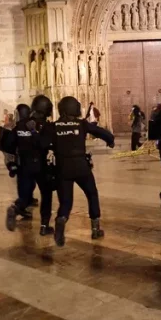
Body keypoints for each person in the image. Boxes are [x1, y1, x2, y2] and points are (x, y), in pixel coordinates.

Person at [42, 96, 115, 247]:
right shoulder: (81, 124)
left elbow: (41, 143)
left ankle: (61, 219)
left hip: (63, 168)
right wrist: (110, 140)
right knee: (92, 194)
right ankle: (95, 229)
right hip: (81, 166)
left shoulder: (53, 126)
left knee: (66, 201)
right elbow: (100, 131)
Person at [2, 99, 54, 235]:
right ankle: (44, 226)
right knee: (46, 195)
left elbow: (8, 144)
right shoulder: (45, 126)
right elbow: (46, 144)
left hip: (24, 165)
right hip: (41, 165)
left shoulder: (20, 125)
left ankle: (16, 208)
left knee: (25, 195)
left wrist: (11, 163)